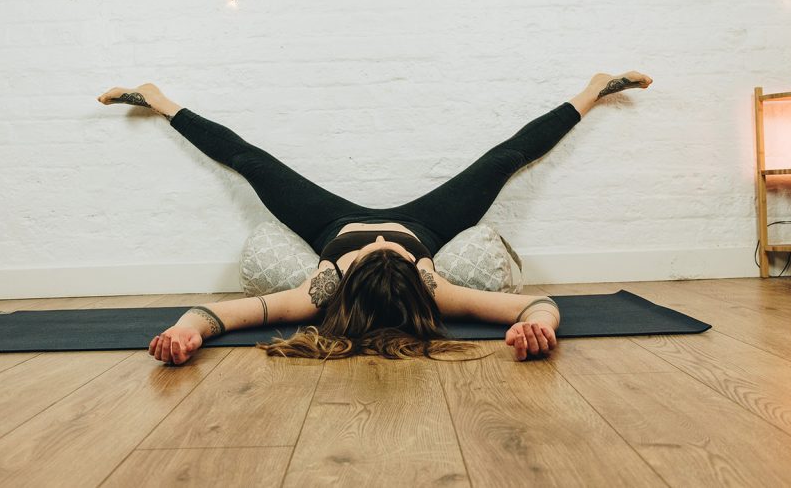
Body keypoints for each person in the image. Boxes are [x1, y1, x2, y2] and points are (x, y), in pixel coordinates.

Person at [96, 72, 652, 364]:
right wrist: (539, 326)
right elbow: (538, 304)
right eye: (387, 250)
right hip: (428, 223)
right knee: (503, 161)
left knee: (252, 163)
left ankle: (157, 99)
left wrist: (182, 334)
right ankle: (591, 90)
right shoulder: (436, 289)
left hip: (329, 223)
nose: (381, 238)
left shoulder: (318, 290)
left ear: (341, 275)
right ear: (419, 274)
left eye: (372, 251)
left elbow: (217, 315)